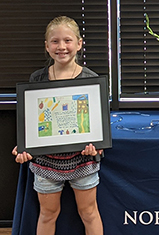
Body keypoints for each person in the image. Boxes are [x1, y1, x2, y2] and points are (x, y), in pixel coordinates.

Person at [12, 16, 104, 235]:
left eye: (68, 40)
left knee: (89, 213)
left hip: (83, 162)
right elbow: (32, 123)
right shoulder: (37, 79)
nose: (61, 47)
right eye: (55, 41)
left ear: (79, 43)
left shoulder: (91, 80)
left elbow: (96, 127)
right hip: (46, 164)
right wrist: (24, 147)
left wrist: (97, 145)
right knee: (47, 214)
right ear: (47, 46)